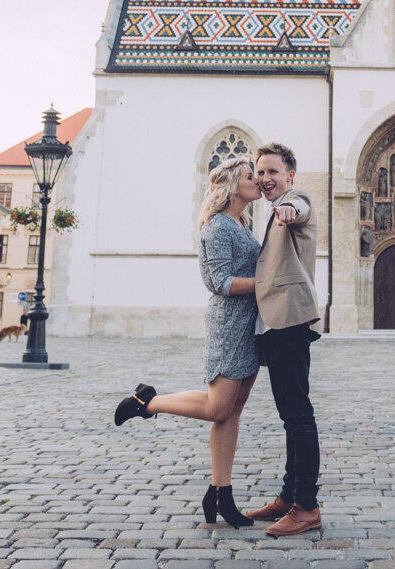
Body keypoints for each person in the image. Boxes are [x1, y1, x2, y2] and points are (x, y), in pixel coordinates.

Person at [114, 156, 263, 529]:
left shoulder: (244, 222)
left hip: (250, 324)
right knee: (217, 408)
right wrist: (268, 284)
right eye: (250, 176)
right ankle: (147, 402)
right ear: (232, 186)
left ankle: (220, 493)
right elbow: (220, 283)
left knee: (232, 411)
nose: (257, 180)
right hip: (229, 324)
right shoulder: (216, 228)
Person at [243, 142, 323, 537]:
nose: (265, 178)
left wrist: (289, 210)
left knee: (298, 416)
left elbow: (300, 209)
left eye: (272, 171)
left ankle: (306, 506)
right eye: (260, 172)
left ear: (290, 175)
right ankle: (290, 496)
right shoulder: (273, 207)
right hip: (278, 323)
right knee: (290, 416)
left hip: (289, 320)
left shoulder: (295, 200)